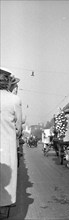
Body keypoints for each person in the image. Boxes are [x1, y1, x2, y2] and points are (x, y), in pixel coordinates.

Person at [0, 68, 22, 217]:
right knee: (7, 175)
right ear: (7, 83)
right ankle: (3, 208)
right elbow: (19, 128)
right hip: (6, 145)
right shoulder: (14, 100)